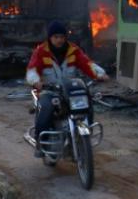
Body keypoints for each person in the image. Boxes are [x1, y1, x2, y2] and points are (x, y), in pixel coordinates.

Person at [25, 21, 109, 157]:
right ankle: (41, 143)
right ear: (50, 38)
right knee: (46, 108)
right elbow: (32, 69)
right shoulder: (41, 51)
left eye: (62, 37)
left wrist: (100, 74)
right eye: (56, 37)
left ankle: (85, 135)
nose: (59, 40)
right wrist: (35, 81)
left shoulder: (74, 50)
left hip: (69, 90)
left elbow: (86, 63)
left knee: (87, 103)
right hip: (49, 91)